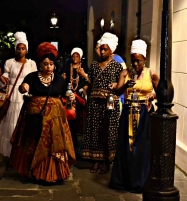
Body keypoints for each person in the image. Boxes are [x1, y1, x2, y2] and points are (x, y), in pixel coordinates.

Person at [10, 42, 76, 183]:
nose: (49, 67)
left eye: (51, 64)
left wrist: (70, 96)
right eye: (45, 64)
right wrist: (23, 87)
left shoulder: (59, 79)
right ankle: (33, 171)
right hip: (35, 118)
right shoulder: (32, 77)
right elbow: (24, 88)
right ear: (40, 64)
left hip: (54, 120)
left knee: (53, 145)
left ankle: (52, 174)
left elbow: (65, 94)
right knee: (34, 142)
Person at [109, 39, 159, 193]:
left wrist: (153, 94)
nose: (136, 64)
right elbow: (117, 91)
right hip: (128, 112)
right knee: (126, 146)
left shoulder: (152, 74)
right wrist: (125, 85)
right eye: (133, 61)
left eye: (139, 61)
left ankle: (140, 181)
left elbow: (162, 94)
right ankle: (124, 180)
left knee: (141, 147)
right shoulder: (126, 73)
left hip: (144, 113)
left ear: (144, 59)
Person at [82, 32, 123, 174]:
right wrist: (85, 86)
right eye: (101, 48)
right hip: (95, 104)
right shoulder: (94, 65)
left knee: (108, 132)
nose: (102, 51)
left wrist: (116, 84)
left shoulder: (117, 67)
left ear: (111, 50)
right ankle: (96, 161)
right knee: (95, 132)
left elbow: (122, 85)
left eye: (105, 49)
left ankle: (106, 161)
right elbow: (90, 81)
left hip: (109, 105)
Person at [0, 32, 37, 157]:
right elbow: (4, 83)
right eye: (18, 48)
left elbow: (34, 81)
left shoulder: (31, 64)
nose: (20, 51)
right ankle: (11, 153)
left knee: (24, 125)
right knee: (11, 124)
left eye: (23, 48)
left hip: (25, 96)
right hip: (13, 96)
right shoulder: (9, 63)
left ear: (27, 49)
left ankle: (22, 154)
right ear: (15, 49)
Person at [62, 47, 88, 157]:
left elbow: (88, 81)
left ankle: (76, 150)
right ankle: (68, 148)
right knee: (68, 125)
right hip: (68, 98)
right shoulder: (67, 66)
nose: (74, 57)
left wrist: (84, 88)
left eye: (77, 55)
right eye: (73, 55)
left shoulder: (84, 67)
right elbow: (63, 79)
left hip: (79, 100)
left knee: (78, 126)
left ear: (80, 57)